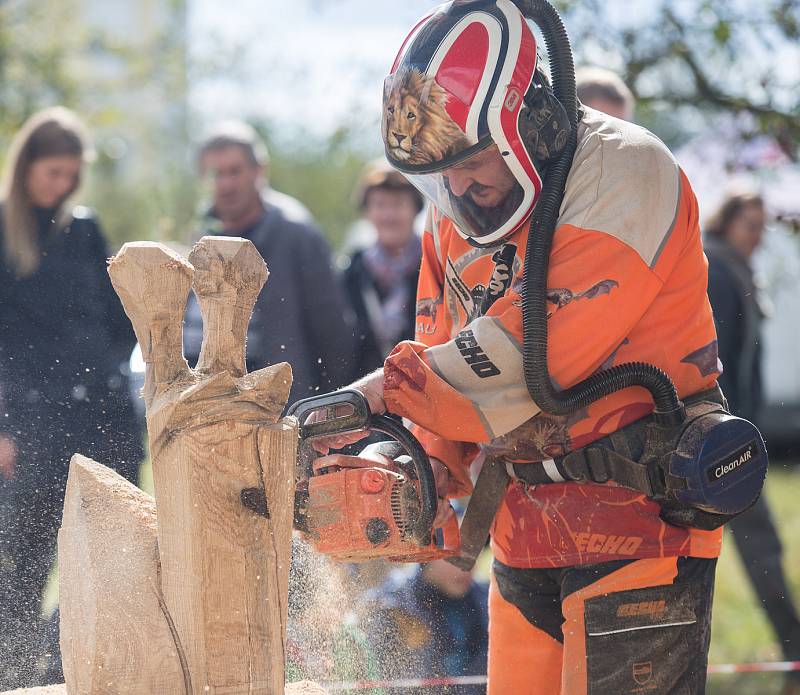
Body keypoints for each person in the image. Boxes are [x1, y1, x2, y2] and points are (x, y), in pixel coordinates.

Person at [308, 2, 730, 693]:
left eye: (473, 163)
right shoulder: (454, 217)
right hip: (524, 526)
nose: (459, 187)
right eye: (442, 172)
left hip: (638, 522)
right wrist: (414, 462)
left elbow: (533, 360)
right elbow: (439, 344)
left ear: (524, 126)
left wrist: (370, 396)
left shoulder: (624, 173)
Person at [0, 106, 142, 688]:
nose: (62, 185)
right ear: (27, 166)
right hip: (28, 428)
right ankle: (14, 676)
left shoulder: (85, 230)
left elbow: (119, 322)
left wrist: (110, 375)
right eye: (52, 172)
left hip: (103, 420)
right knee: (21, 569)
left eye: (70, 174)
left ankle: (69, 672)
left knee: (110, 562)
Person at [184, 121, 354, 404]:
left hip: (281, 403)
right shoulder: (201, 232)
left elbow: (332, 333)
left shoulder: (296, 232)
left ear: (259, 170)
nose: (226, 183)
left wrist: (323, 406)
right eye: (216, 173)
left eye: (235, 171)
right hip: (212, 403)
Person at [705, 191, 800, 694]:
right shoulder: (717, 270)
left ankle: (792, 650)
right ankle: (794, 651)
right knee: (759, 546)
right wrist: (731, 432)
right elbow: (714, 360)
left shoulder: (736, 267)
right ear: (726, 223)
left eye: (763, 226)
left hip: (737, 432)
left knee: (762, 546)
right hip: (724, 440)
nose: (758, 235)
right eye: (749, 224)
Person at [343, 160, 425, 376]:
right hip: (368, 399)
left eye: (398, 204)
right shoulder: (352, 274)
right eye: (379, 205)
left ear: (415, 209)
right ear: (367, 212)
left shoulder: (435, 266)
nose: (389, 216)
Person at [366, 559, 489, 695]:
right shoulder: (394, 602)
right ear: (427, 555)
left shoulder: (485, 600)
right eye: (455, 555)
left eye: (474, 552)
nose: (468, 565)